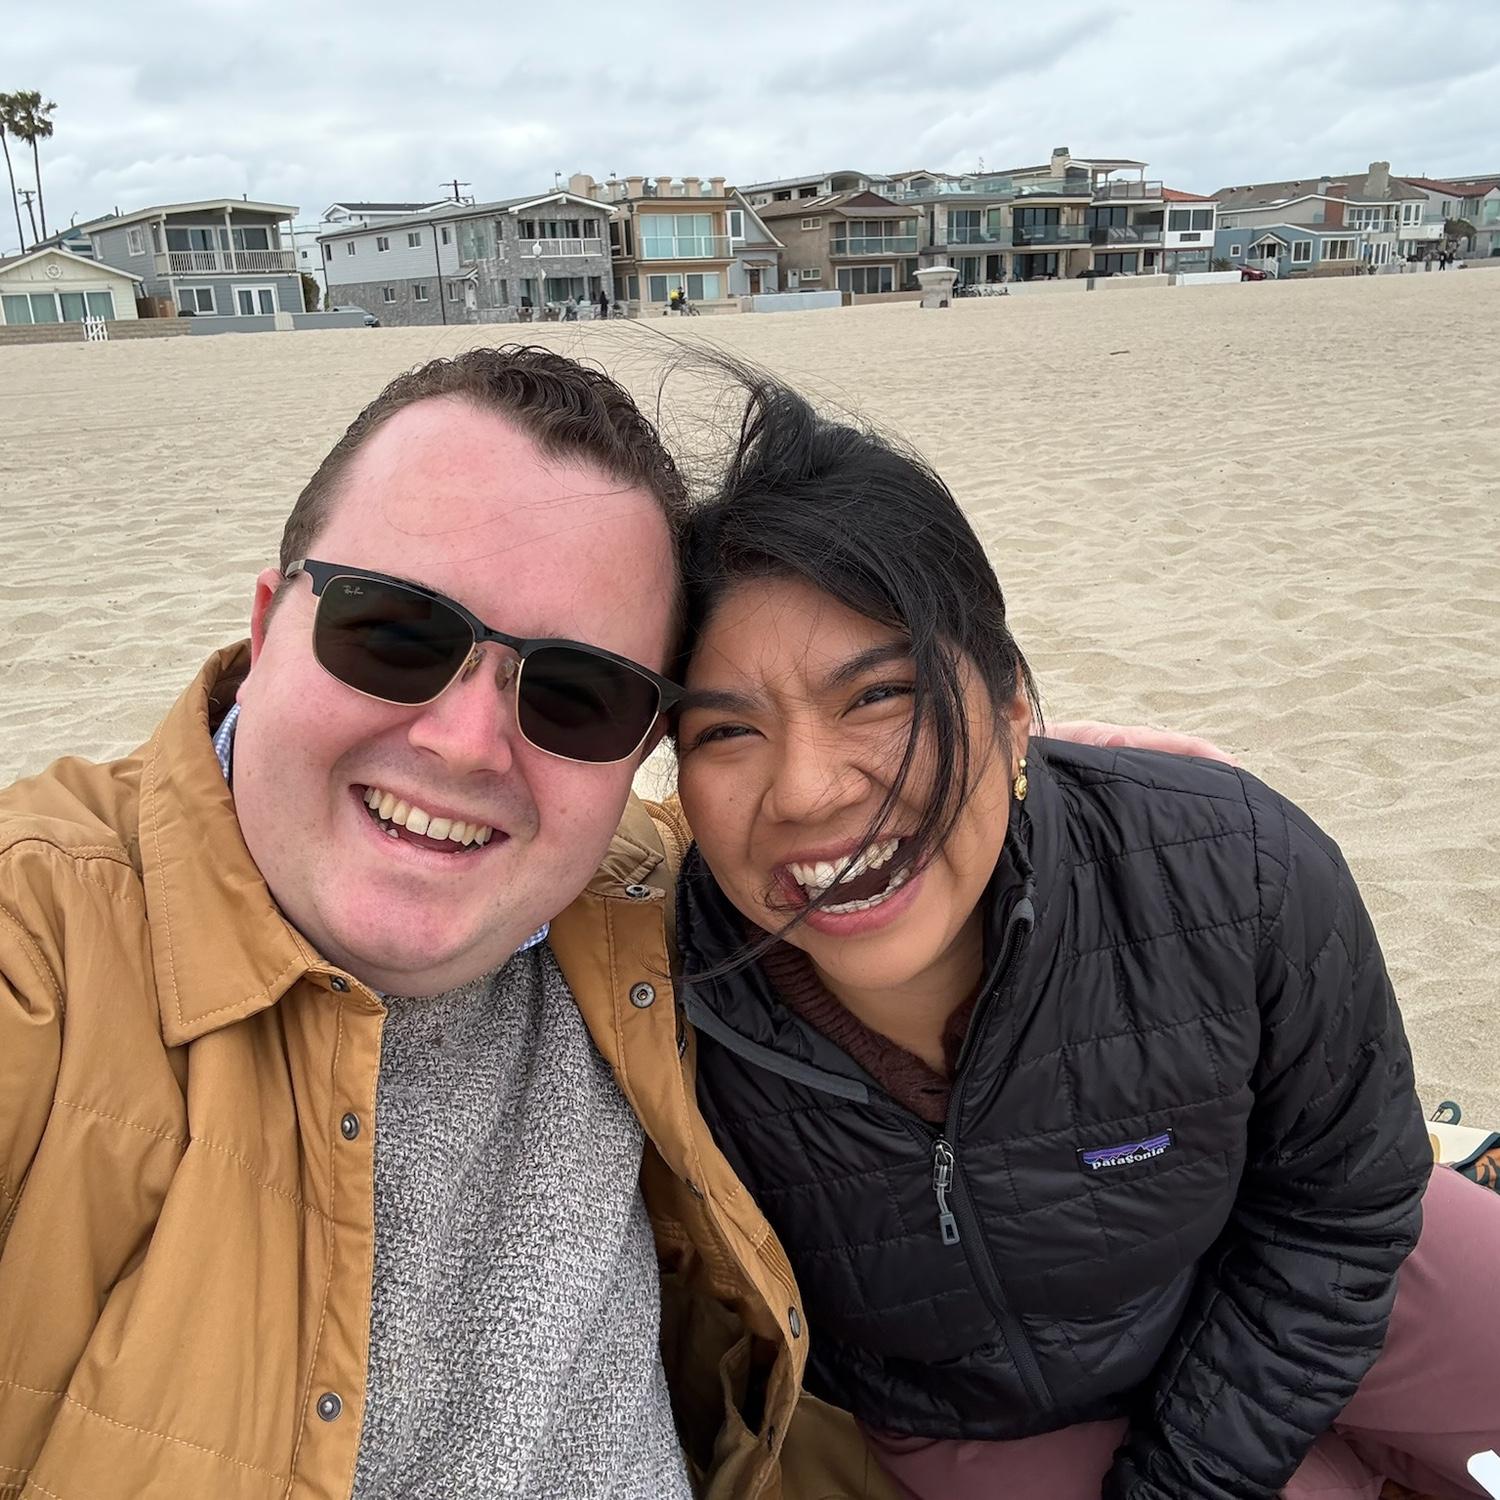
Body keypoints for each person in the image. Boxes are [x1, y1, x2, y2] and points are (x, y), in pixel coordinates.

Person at [0, 342, 1223, 1499]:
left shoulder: (628, 897)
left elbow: (800, 817)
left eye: (575, 695)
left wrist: (1022, 771)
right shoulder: (42, 951)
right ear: (269, 630)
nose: (463, 745)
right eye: (393, 633)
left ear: (639, 755)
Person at [669, 373, 1500, 1500]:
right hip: (996, 1415)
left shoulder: (1236, 867)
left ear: (1013, 704)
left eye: (880, 697)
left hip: (1292, 1256)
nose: (809, 791)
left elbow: (1346, 1203)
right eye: (727, 728)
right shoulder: (659, 994)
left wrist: (1189, 1477)